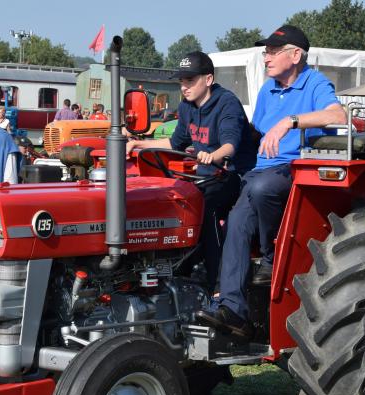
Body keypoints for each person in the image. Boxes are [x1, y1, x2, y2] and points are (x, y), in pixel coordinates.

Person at [195, 25, 346, 338]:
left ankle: (269, 258)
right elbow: (255, 133)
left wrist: (289, 122)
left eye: (273, 52)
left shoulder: (314, 83)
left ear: (295, 55)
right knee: (229, 217)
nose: (266, 58)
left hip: (295, 169)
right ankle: (232, 308)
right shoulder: (268, 90)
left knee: (263, 189)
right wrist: (220, 149)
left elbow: (337, 116)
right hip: (260, 172)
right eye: (265, 52)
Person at [127, 51, 256, 289]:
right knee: (172, 201)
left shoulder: (226, 103)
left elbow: (230, 145)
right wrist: (139, 143)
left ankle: (217, 282)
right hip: (205, 176)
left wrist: (212, 155)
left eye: (190, 81)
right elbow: (175, 143)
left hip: (235, 175)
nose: (184, 87)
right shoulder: (187, 106)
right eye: (181, 82)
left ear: (208, 79)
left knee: (203, 206)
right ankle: (175, 273)